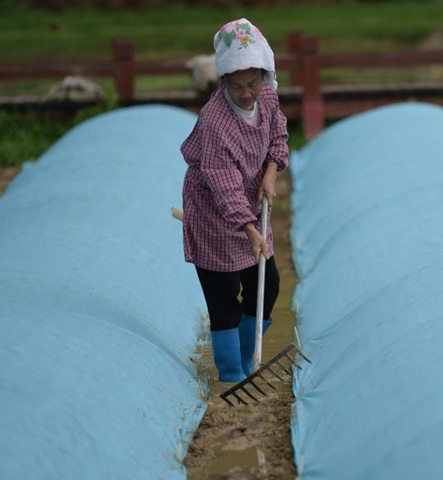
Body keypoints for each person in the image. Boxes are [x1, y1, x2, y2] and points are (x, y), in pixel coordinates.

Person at [180, 18, 289, 383]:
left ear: (264, 76)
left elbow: (279, 136)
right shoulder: (215, 123)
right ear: (223, 81)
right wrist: (249, 229)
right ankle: (231, 378)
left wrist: (271, 173)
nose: (247, 94)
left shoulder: (268, 98)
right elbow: (225, 187)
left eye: (253, 84)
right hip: (214, 212)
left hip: (250, 204)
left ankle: (248, 366)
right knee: (224, 298)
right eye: (238, 86)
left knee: (267, 283)